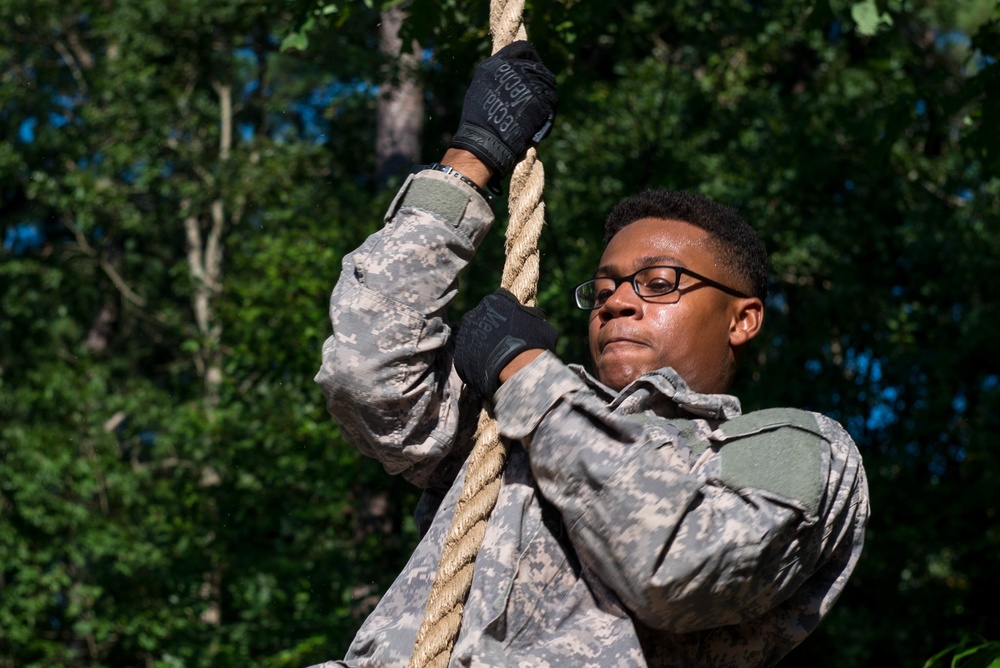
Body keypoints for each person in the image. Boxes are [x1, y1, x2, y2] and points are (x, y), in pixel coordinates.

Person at [313, 41, 869, 667]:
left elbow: (681, 563)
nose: (618, 304)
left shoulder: (795, 449)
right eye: (603, 289)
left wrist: (525, 374)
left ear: (743, 319)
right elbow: (368, 374)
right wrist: (469, 164)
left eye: (659, 284)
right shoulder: (505, 430)